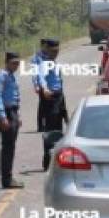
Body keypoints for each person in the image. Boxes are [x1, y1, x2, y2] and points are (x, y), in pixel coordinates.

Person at [32, 38, 67, 170]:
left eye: (57, 50)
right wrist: (43, 88)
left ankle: (56, 159)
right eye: (53, 51)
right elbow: (40, 76)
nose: (56, 53)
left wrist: (63, 104)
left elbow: (59, 81)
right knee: (50, 131)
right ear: (48, 50)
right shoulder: (43, 62)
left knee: (59, 130)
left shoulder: (54, 63)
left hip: (59, 97)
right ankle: (47, 160)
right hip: (50, 98)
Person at [0, 52, 23, 189]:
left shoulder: (11, 76)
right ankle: (6, 179)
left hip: (13, 112)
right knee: (7, 147)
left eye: (18, 63)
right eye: (14, 63)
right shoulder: (2, 75)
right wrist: (3, 116)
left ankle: (9, 177)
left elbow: (15, 96)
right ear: (7, 62)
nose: (16, 66)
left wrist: (18, 116)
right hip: (6, 113)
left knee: (11, 146)